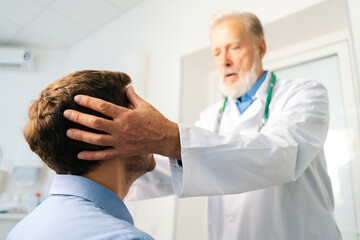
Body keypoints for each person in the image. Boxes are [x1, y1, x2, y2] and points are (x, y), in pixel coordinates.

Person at [63, 12, 342, 240]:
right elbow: (167, 169)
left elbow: (281, 154)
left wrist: (169, 137)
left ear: (260, 47)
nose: (225, 60)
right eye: (217, 51)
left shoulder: (305, 93)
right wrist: (95, 164)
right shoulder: (212, 117)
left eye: (234, 47)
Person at [7, 70, 155, 240]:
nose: (149, 126)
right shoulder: (126, 237)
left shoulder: (21, 230)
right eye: (136, 118)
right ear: (105, 134)